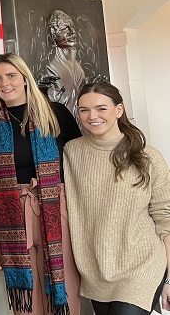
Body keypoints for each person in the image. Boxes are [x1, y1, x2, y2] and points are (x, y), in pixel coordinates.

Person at [0, 53, 82, 315]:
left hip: (56, 209)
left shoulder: (55, 113)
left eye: (11, 76)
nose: (5, 83)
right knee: (27, 302)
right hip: (12, 213)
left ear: (25, 78)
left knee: (65, 290)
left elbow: (81, 159)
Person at [64, 81, 170, 315]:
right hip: (95, 271)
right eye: (84, 110)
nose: (92, 116)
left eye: (101, 108)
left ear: (118, 110)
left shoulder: (148, 157)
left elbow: (166, 221)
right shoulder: (71, 152)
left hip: (142, 266)